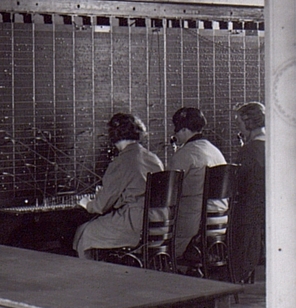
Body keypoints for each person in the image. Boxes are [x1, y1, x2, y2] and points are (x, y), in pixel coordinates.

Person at [74, 113, 163, 259]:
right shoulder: (154, 159)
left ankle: (90, 278)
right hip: (156, 222)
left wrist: (88, 204)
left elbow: (101, 206)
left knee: (85, 232)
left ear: (113, 136)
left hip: (134, 224)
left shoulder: (121, 162)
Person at [168, 107, 227, 265]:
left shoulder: (184, 154)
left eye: (177, 130)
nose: (176, 135)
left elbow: (167, 193)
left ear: (185, 130)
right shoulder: (215, 152)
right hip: (216, 226)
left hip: (190, 228)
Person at [228, 102, 265, 283]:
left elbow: (238, 183)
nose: (239, 128)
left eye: (239, 123)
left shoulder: (249, 150)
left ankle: (236, 273)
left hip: (251, 209)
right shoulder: (271, 144)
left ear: (248, 123)